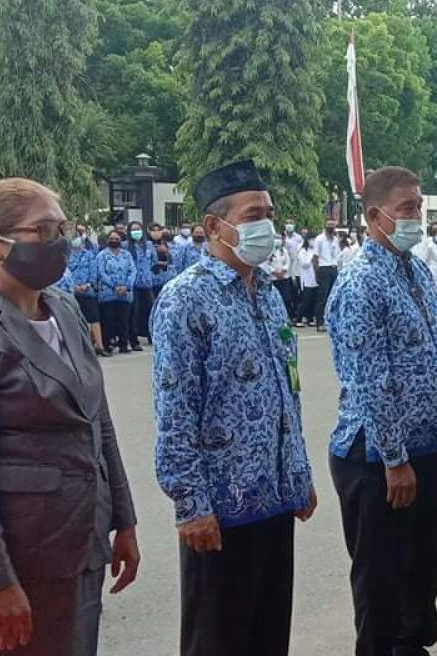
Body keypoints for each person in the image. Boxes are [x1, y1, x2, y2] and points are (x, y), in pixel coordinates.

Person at [0, 177, 139, 655]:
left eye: (62, 228)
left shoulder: (63, 309)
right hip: (4, 556)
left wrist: (122, 520)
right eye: (44, 230)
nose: (60, 242)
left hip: (74, 543)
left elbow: (96, 419)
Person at [151, 160, 316, 656]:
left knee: (267, 635)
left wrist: (299, 474)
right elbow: (175, 410)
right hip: (219, 511)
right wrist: (190, 505)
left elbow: (289, 393)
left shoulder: (268, 293)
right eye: (252, 215)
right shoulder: (186, 300)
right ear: (213, 227)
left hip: (274, 498)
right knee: (218, 639)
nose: (266, 224)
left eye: (268, 212)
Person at [326, 166, 437, 656]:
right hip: (378, 456)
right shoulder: (361, 281)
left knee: (423, 565)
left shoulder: (418, 271)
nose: (417, 217)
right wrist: (394, 458)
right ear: (373, 217)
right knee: (381, 577)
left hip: (428, 445)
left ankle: (412, 645)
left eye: (419, 206)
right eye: (407, 209)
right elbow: (369, 378)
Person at [68, 231, 110, 357]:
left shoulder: (90, 255)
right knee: (76, 320)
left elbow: (94, 272)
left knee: (94, 319)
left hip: (89, 291)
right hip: (72, 292)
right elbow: (66, 272)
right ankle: (82, 348)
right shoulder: (66, 256)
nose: (76, 241)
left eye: (78, 239)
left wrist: (88, 284)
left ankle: (100, 346)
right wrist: (74, 286)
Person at [96, 230, 135, 354]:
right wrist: (114, 286)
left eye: (117, 238)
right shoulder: (101, 255)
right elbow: (101, 273)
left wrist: (126, 286)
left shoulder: (127, 255)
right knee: (108, 321)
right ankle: (108, 345)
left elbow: (132, 271)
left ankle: (124, 344)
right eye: (111, 238)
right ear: (107, 240)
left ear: (121, 240)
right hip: (108, 293)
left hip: (125, 293)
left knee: (124, 321)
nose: (114, 241)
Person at [124, 221, 155, 350]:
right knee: (134, 312)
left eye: (138, 229)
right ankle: (134, 339)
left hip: (147, 282)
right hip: (133, 283)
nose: (136, 231)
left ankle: (151, 335)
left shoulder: (148, 245)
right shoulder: (125, 246)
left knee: (150, 310)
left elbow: (153, 260)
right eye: (134, 229)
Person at [313, 220, 341, 331]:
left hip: (334, 268)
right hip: (324, 268)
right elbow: (315, 257)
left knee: (334, 297)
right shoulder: (319, 239)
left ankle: (332, 322)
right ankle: (320, 322)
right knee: (322, 297)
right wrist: (316, 272)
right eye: (329, 225)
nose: (331, 227)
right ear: (325, 226)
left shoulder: (335, 240)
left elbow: (337, 256)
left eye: (332, 225)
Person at [265, 232, 296, 318]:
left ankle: (287, 317)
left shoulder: (284, 251)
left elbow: (288, 262)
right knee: (273, 298)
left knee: (286, 298)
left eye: (279, 239)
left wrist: (283, 271)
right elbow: (267, 264)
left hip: (284, 277)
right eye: (275, 239)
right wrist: (274, 271)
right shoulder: (269, 251)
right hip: (273, 278)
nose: (277, 241)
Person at [413, 226, 437, 298]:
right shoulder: (430, 246)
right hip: (432, 271)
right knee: (433, 291)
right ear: (434, 236)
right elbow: (424, 258)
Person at [293, 236, 319, 327]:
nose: (313, 241)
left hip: (315, 279)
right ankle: (298, 318)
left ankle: (310, 318)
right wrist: (312, 258)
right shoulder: (302, 251)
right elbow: (304, 264)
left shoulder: (315, 250)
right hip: (306, 279)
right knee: (305, 300)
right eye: (312, 239)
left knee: (313, 300)